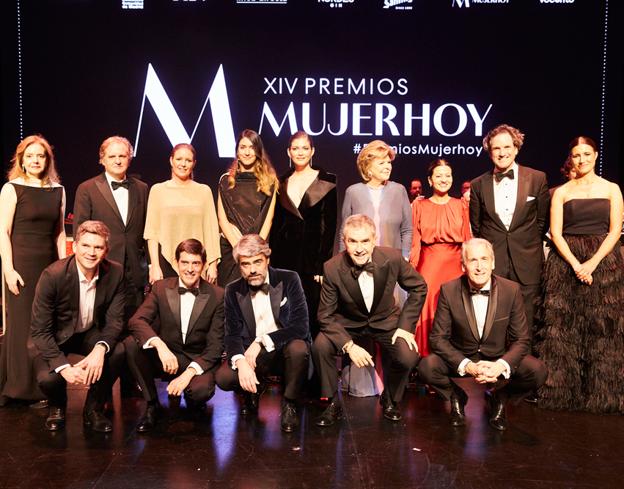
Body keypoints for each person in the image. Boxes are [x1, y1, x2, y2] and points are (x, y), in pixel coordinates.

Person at [418, 238, 547, 431]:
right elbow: (438, 338)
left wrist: (500, 366)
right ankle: (457, 396)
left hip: (497, 357)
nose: (479, 267)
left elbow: (521, 339)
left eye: (484, 259)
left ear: (493, 262)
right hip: (463, 356)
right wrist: (466, 365)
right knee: (426, 367)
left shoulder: (510, 290)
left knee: (538, 371)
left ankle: (500, 397)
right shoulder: (449, 290)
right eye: (473, 261)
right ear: (463, 265)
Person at [536, 136, 624, 413]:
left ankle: (603, 397)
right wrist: (576, 264)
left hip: (604, 263)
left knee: (602, 329)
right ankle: (563, 395)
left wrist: (593, 262)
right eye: (576, 155)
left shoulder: (612, 189)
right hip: (565, 263)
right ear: (571, 159)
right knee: (564, 330)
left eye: (586, 154)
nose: (582, 159)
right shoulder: (561, 192)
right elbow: (556, 233)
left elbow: (615, 231)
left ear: (595, 155)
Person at [313, 215, 426, 426]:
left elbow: (419, 287)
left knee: (409, 356)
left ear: (374, 240)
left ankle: (390, 398)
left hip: (385, 321)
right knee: (320, 346)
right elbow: (325, 315)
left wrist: (405, 326)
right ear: (344, 242)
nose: (359, 248)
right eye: (352, 241)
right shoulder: (332, 267)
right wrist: (348, 345)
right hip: (348, 324)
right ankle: (332, 403)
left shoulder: (391, 258)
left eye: (365, 241)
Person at [31, 221, 125, 432]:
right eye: (86, 246)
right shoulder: (53, 275)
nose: (91, 253)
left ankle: (93, 409)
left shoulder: (115, 273)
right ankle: (57, 407)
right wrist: (64, 367)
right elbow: (39, 331)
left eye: (98, 247)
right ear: (75, 247)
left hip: (89, 332)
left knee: (117, 351)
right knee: (48, 378)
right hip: (54, 336)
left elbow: (116, 320)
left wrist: (100, 348)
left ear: (106, 251)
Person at [126, 239, 224, 431]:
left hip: (196, 359)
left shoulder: (218, 295)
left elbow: (215, 347)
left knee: (200, 392)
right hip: (166, 357)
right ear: (176, 263)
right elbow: (136, 321)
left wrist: (187, 375)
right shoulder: (161, 287)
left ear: (203, 265)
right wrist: (160, 346)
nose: (190, 269)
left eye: (195, 263)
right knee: (130, 344)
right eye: (185, 262)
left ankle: (192, 398)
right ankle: (152, 404)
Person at [215, 234, 310, 433]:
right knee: (225, 377)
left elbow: (301, 327)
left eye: (257, 262)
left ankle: (289, 402)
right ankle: (251, 392)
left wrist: (261, 341)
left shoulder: (289, 278)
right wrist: (241, 362)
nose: (252, 270)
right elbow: (231, 335)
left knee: (299, 348)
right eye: (245, 264)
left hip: (283, 350)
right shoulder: (233, 290)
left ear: (267, 259)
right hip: (253, 357)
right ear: (239, 266)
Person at [0, 135, 66, 405]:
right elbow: (3, 232)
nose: (35, 160)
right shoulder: (12, 188)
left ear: (47, 159)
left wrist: (65, 269)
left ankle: (42, 388)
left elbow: (60, 233)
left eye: (40, 155)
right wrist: (8, 269)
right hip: (21, 267)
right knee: (21, 326)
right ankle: (18, 389)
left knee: (44, 326)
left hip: (49, 266)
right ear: (21, 160)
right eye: (30, 156)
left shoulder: (58, 189)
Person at [470, 124, 549, 336]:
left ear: (516, 148)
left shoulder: (537, 178)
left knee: (528, 320)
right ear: (489, 151)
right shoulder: (478, 184)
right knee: (494, 320)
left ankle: (523, 366)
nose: (502, 153)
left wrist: (526, 244)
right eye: (496, 148)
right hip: (495, 263)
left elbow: (542, 222)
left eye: (507, 147)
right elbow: (477, 228)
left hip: (527, 261)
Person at [270, 131, 337, 338]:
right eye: (295, 148)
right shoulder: (279, 182)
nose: (300, 152)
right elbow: (276, 223)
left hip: (312, 260)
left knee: (311, 310)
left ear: (312, 151)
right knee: (286, 309)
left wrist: (321, 265)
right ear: (288, 152)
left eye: (305, 148)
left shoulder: (327, 181)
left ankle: (311, 365)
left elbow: (329, 226)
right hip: (284, 256)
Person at [73, 136, 149, 319]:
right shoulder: (87, 188)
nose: (118, 160)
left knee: (135, 324)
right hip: (102, 268)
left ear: (129, 158)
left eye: (122, 156)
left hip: (135, 271)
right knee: (104, 323)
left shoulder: (142, 188)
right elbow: (80, 231)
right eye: (112, 156)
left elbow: (147, 229)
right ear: (102, 159)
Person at [409, 159, 471, 357]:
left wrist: (467, 266)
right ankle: (426, 361)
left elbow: (467, 239)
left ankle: (454, 360)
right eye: (438, 176)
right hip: (428, 264)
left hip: (456, 264)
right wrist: (412, 268)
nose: (444, 179)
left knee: (454, 310)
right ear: (430, 180)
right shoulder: (419, 206)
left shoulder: (461, 205)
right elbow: (415, 240)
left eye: (447, 175)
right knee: (427, 310)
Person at [144, 143, 220, 285]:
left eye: (188, 160)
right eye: (179, 159)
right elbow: (152, 233)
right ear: (171, 160)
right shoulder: (158, 190)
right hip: (166, 261)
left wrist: (213, 264)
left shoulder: (204, 191)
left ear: (194, 163)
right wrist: (154, 266)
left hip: (197, 263)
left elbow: (211, 230)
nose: (183, 164)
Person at [217, 129, 278, 288]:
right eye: (243, 147)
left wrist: (255, 249)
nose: (247, 152)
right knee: (229, 298)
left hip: (258, 250)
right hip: (230, 249)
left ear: (258, 151)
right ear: (237, 150)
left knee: (255, 298)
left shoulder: (269, 181)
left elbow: (268, 220)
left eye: (251, 147)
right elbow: (222, 219)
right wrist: (239, 248)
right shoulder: (226, 181)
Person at [340, 140, 412, 259]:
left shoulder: (399, 190)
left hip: (392, 262)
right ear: (368, 167)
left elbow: (407, 230)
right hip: (360, 261)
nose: (387, 167)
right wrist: (342, 262)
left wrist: (404, 257)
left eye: (388, 162)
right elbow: (344, 231)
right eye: (381, 163)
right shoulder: (353, 192)